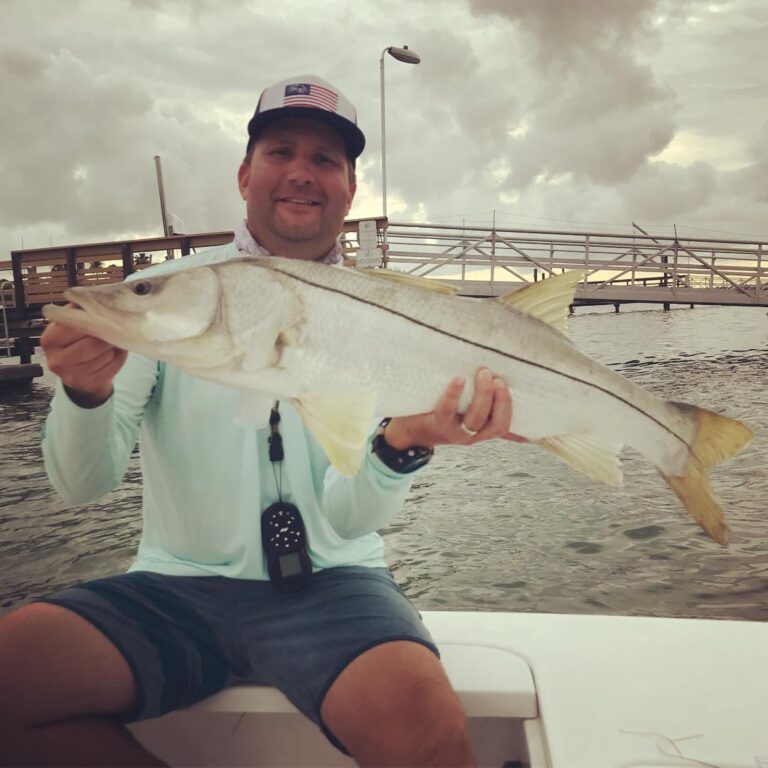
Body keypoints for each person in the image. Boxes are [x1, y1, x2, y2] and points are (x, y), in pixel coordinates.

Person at [0, 75, 513, 767]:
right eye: (280, 151)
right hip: (173, 585)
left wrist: (404, 444)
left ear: (349, 190)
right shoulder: (170, 296)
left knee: (428, 732)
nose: (301, 173)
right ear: (245, 175)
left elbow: (349, 516)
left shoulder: (391, 317)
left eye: (326, 160)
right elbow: (81, 486)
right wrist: (83, 396)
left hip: (335, 585)